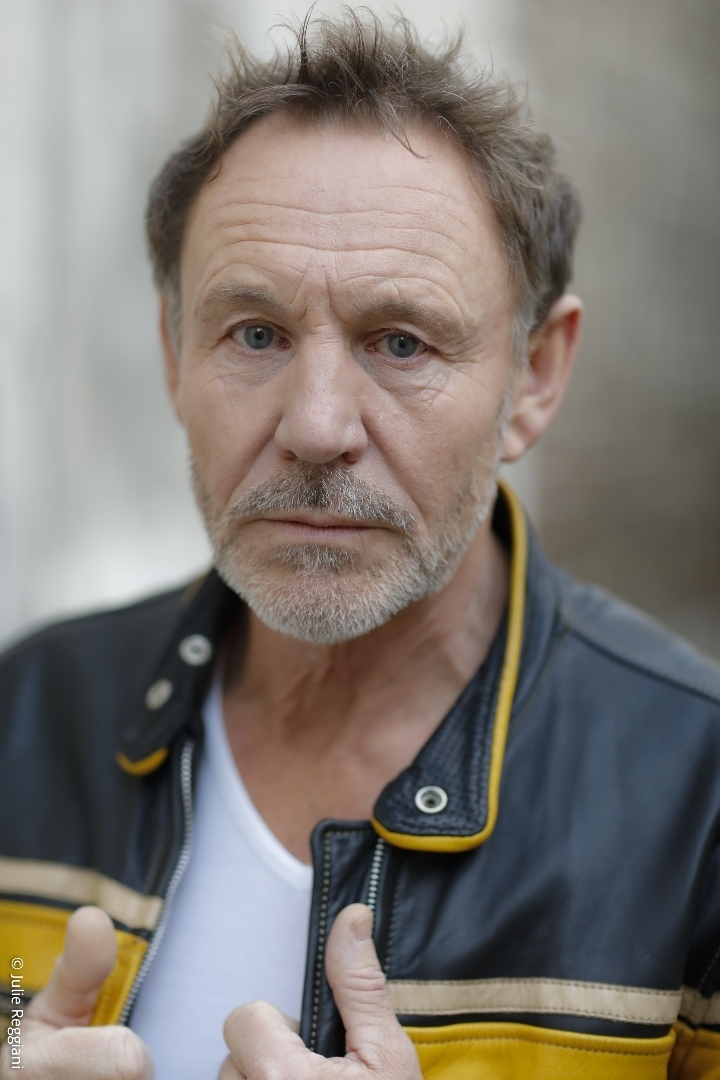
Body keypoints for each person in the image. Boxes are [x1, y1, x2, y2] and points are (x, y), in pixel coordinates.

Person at [2, 9, 720, 1080]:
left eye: (401, 342)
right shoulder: (27, 717)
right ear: (173, 354)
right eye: (255, 334)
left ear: (535, 376)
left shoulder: (697, 798)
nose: (316, 426)